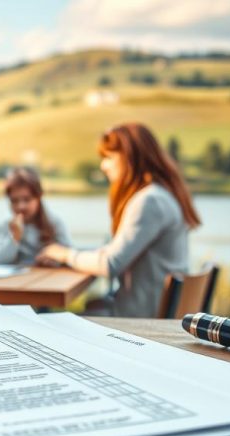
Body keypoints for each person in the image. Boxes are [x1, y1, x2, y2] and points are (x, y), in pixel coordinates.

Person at [35, 123, 202, 317]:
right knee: (88, 308)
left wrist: (65, 255)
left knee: (53, 322)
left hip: (143, 320)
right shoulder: (161, 195)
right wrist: (66, 254)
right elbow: (114, 251)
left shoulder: (149, 202)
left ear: (131, 158)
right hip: (153, 311)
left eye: (109, 157)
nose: (103, 166)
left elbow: (110, 264)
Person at [0, 166, 71, 264]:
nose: (21, 206)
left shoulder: (54, 223)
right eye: (14, 201)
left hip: (49, 277)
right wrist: (14, 237)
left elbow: (69, 255)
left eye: (27, 199)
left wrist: (56, 260)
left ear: (39, 196)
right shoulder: (6, 225)